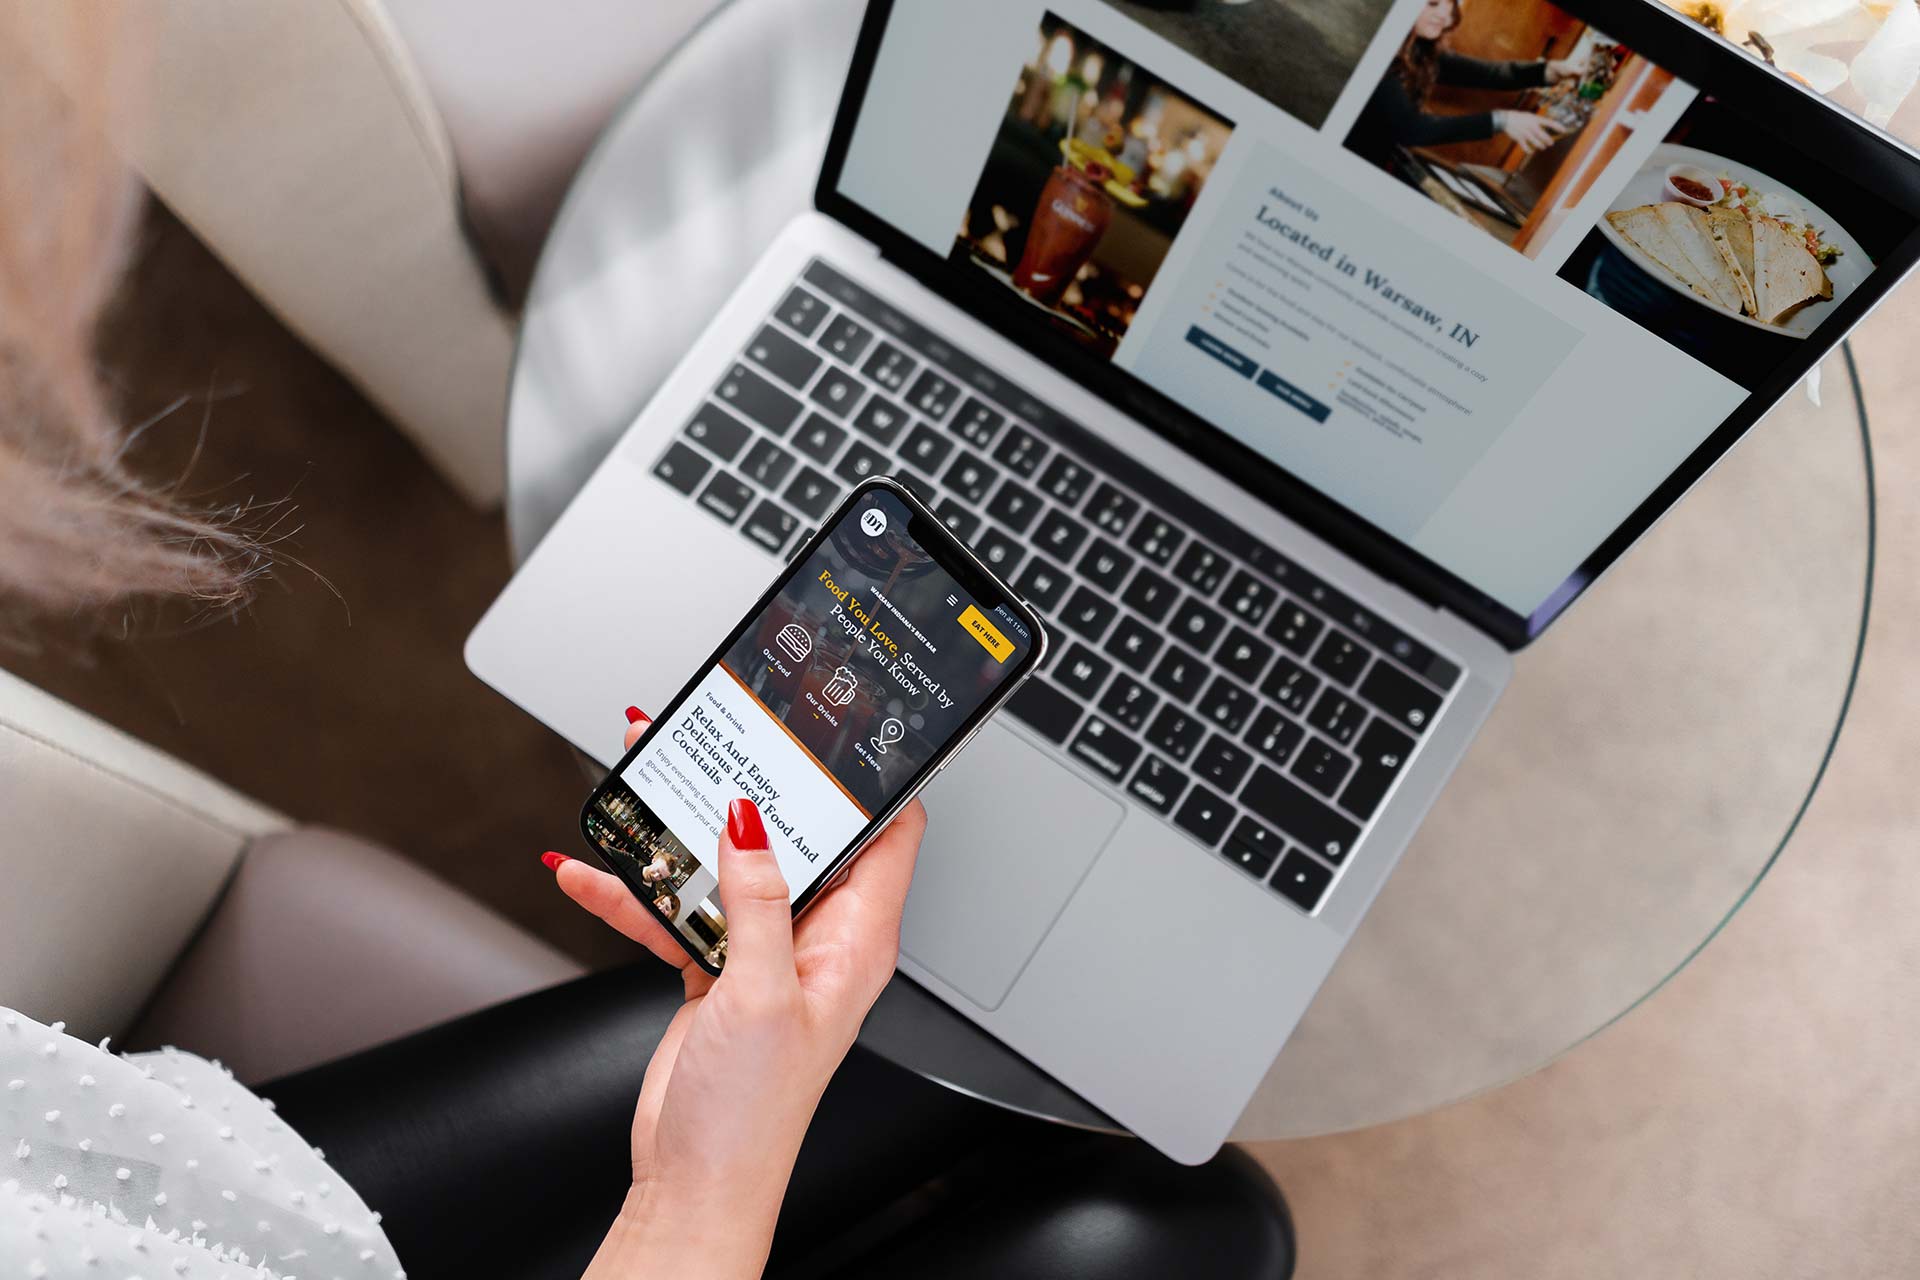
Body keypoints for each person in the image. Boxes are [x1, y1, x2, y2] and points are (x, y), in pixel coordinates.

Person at [0, 12, 1293, 1278]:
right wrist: (699, 1194)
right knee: (1195, 1217)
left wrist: (714, 1162)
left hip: (175, 1201)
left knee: (1097, 1142)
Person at [1348, 0, 1585, 176]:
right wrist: (1502, 120)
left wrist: (1550, 70)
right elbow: (1411, 128)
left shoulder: (1420, 51)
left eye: (1449, 5)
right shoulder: (1377, 51)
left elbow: (1491, 74)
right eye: (1432, 3)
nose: (1444, 15)